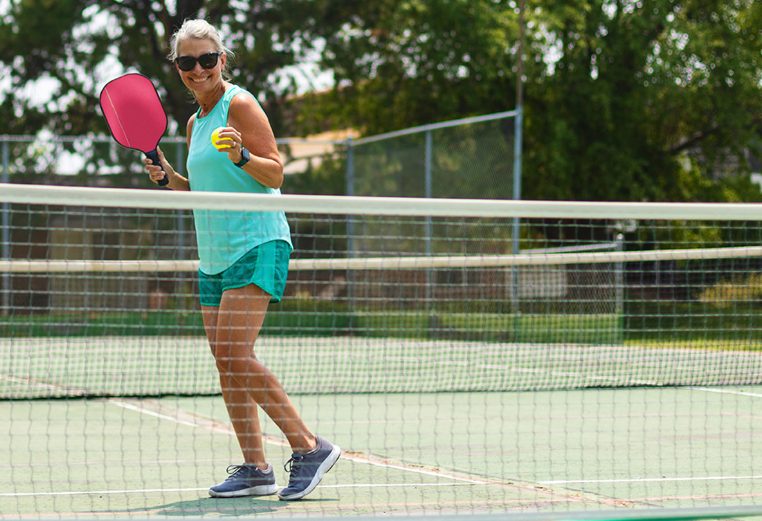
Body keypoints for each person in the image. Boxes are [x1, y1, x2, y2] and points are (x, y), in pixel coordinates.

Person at [143, 19, 340, 501]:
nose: (198, 69)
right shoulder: (194, 123)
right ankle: (255, 467)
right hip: (212, 255)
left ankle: (309, 447)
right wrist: (170, 177)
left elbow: (275, 171)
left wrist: (241, 158)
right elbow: (203, 190)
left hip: (257, 242)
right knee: (225, 362)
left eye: (207, 59)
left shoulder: (240, 104)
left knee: (235, 353)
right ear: (178, 68)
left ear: (221, 60)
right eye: (187, 62)